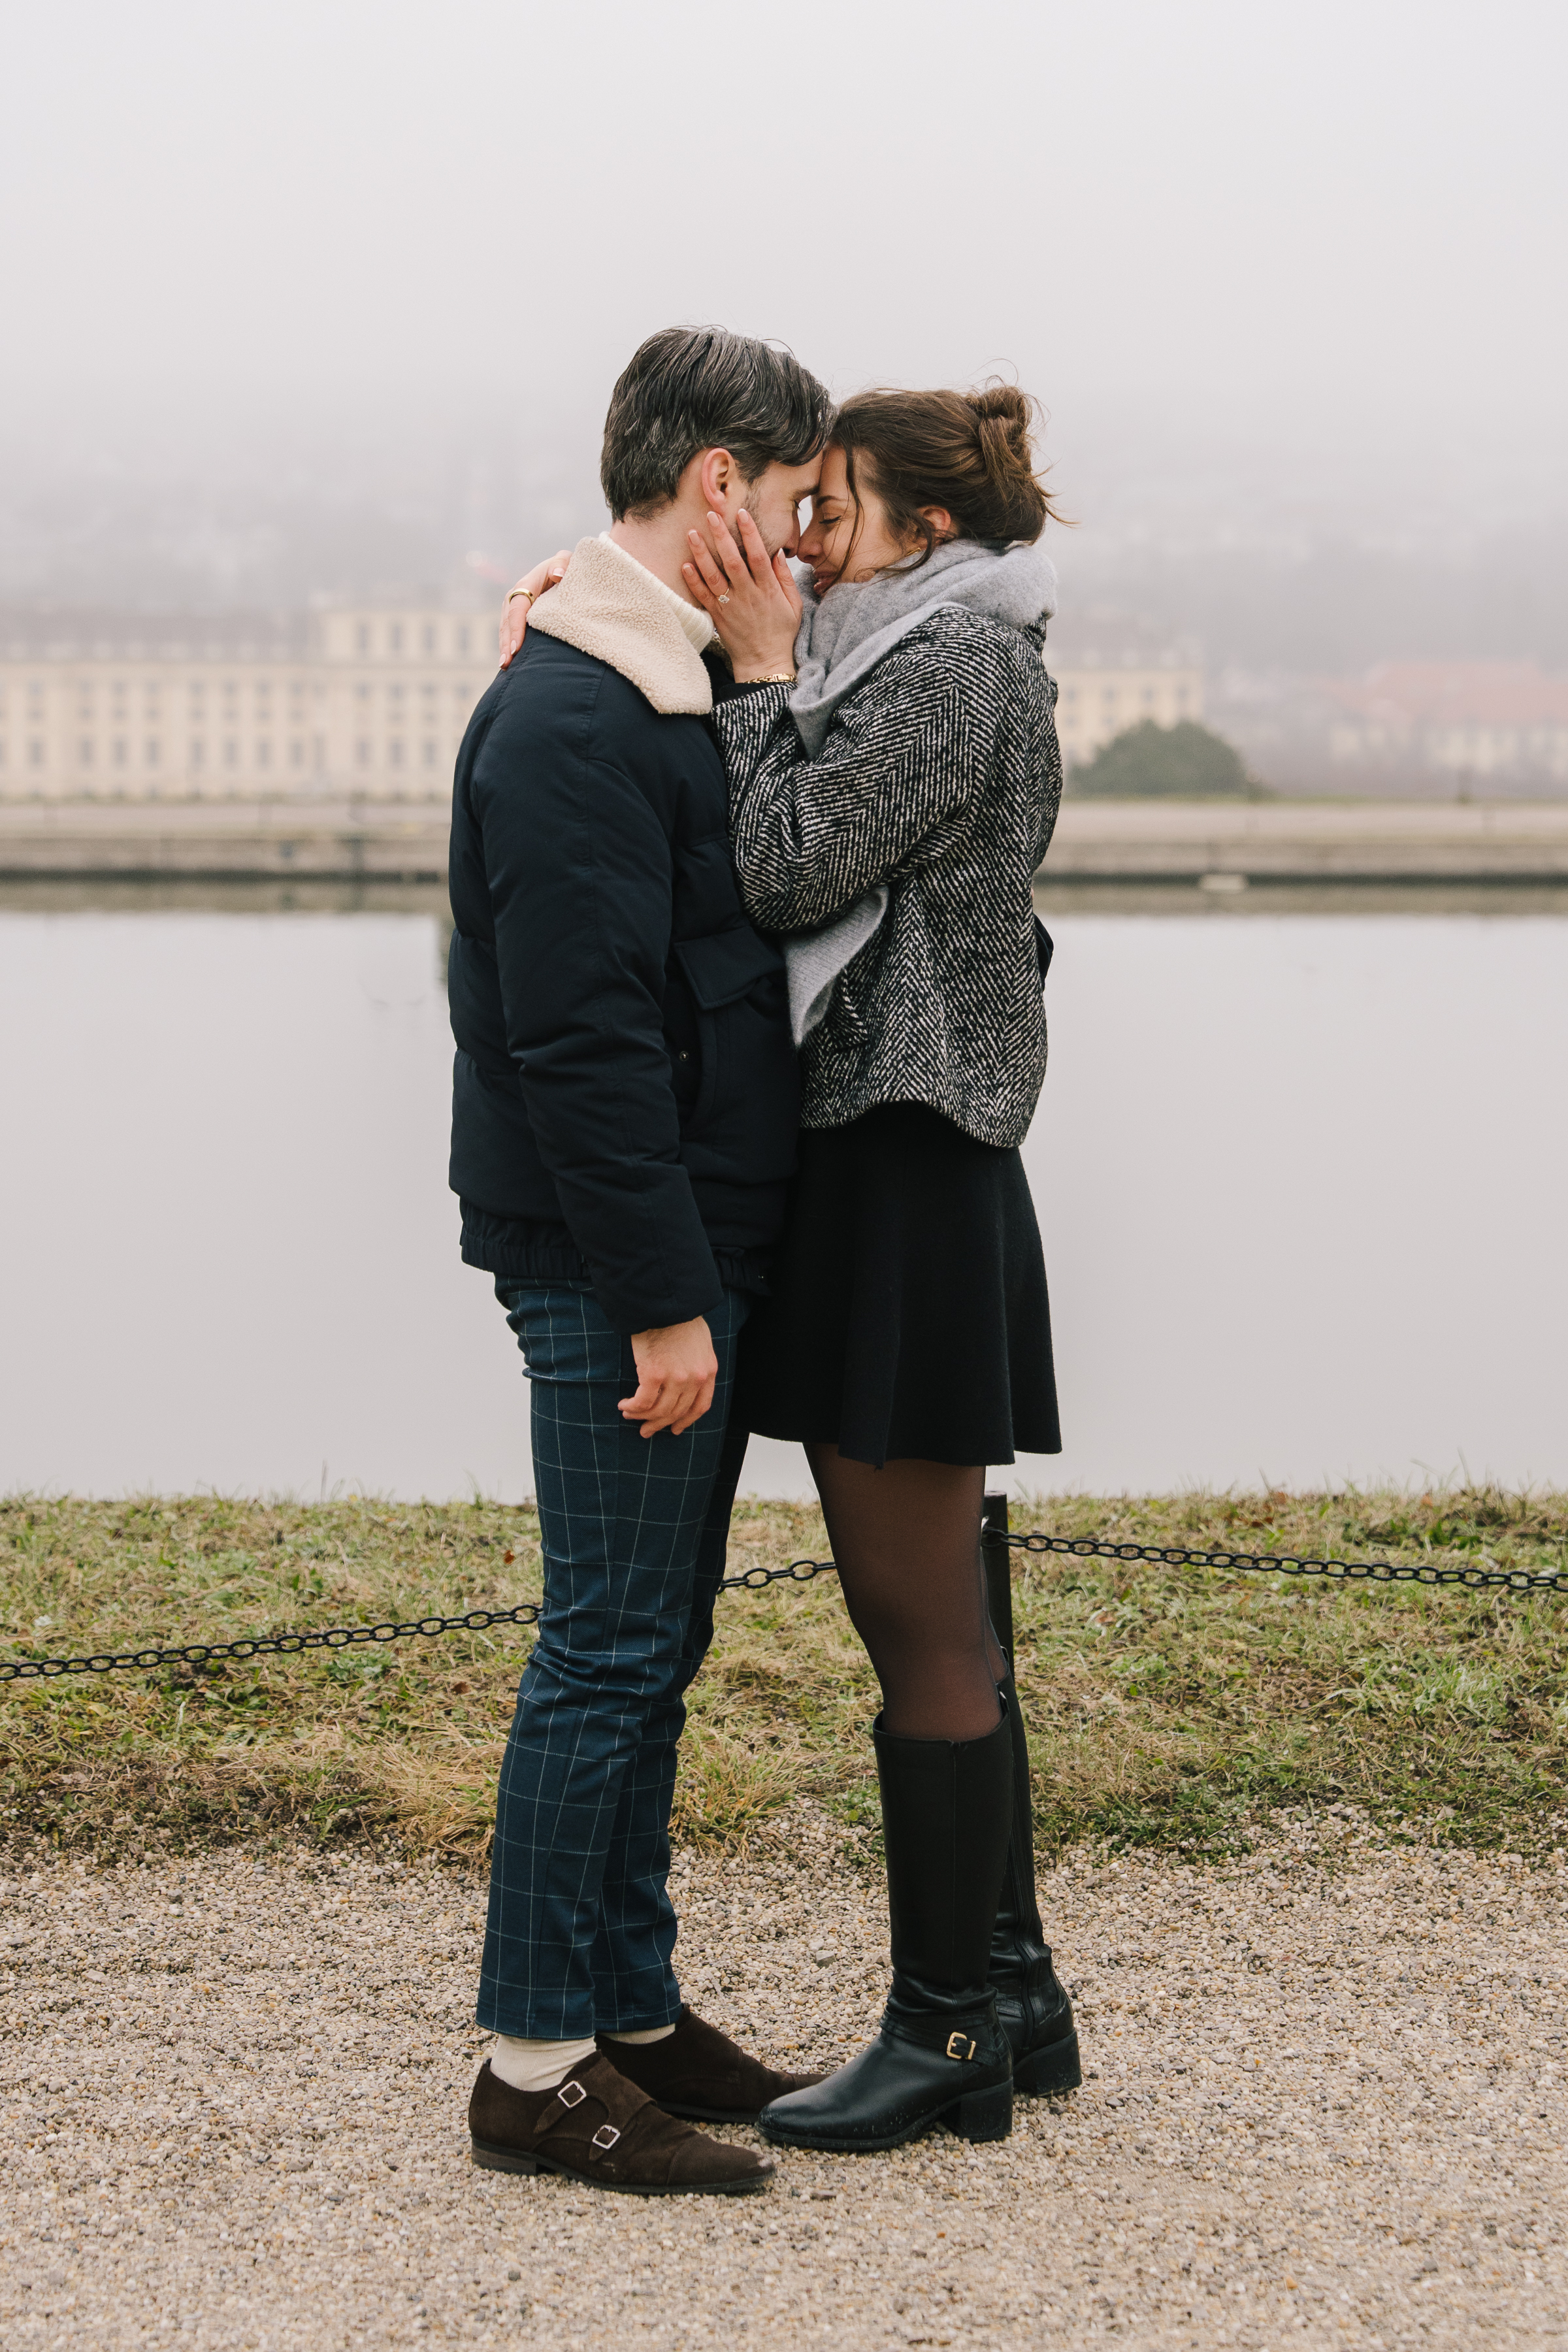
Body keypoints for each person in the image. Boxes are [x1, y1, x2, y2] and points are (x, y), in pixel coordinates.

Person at [503, 380, 1082, 2160]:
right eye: (794, 506)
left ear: (924, 527)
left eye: (834, 512)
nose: (804, 547)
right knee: (931, 1604)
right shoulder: (900, 649)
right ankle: (1012, 1997)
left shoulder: (954, 666)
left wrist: (756, 671)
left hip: (910, 1167)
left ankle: (950, 2026)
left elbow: (788, 861)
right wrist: (593, 599)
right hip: (894, 1171)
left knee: (919, 1616)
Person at [449, 325, 833, 2197]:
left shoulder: (652, 678)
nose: (807, 542)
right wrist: (665, 1301)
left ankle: (631, 2005)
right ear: (715, 484)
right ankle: (534, 2067)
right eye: (793, 503)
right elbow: (583, 1038)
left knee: (652, 1647)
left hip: (681, 1238)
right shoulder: (574, 718)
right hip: (623, 1264)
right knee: (603, 1650)